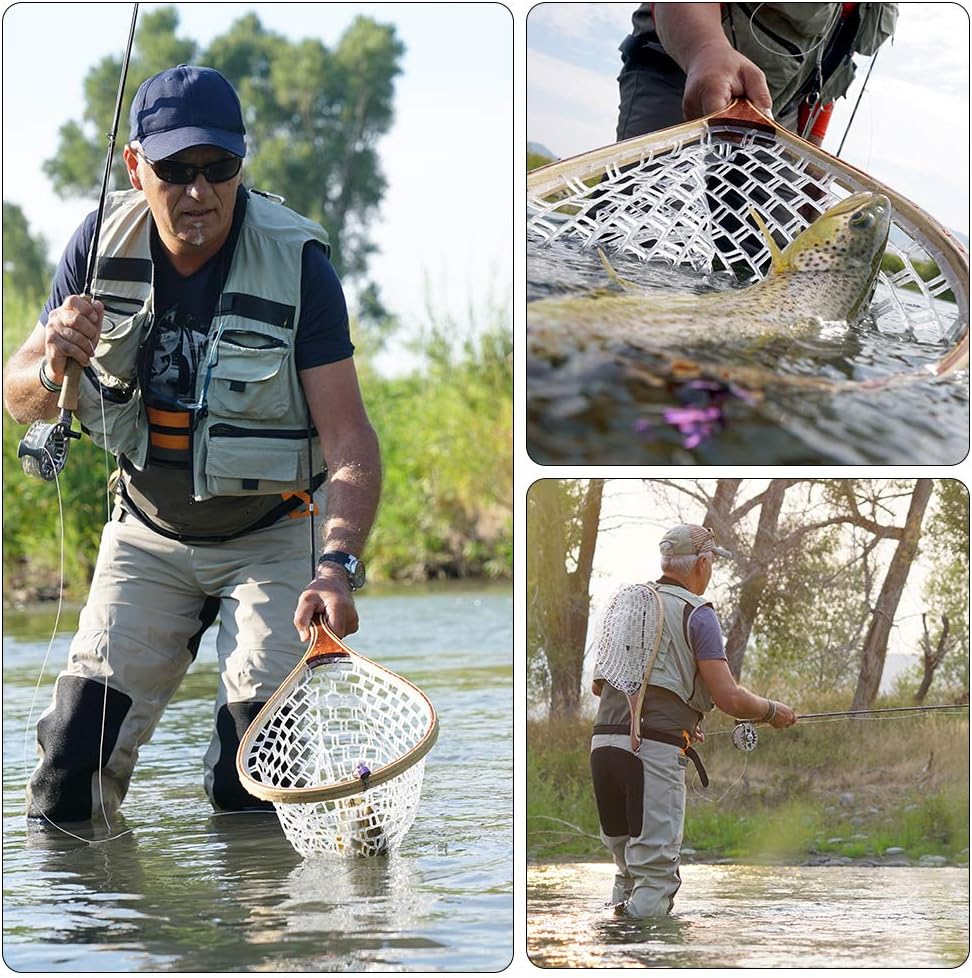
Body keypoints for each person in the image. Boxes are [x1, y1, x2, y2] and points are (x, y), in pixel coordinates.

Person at [3, 65, 381, 823]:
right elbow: (19, 400)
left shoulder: (300, 263)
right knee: (69, 775)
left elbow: (350, 446)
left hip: (274, 536)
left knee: (253, 783)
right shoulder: (96, 242)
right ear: (136, 166)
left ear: (242, 162)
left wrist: (337, 566)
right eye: (175, 171)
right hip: (147, 533)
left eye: (219, 169)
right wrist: (54, 362)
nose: (198, 192)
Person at [590, 524, 797, 918]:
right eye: (713, 563)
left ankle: (613, 948)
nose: (712, 570)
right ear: (702, 563)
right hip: (650, 754)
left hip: (603, 747)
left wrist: (683, 715)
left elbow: (605, 687)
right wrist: (773, 711)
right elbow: (729, 696)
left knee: (627, 869)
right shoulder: (697, 613)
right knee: (655, 877)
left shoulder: (627, 604)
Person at [617, 3, 898, 145]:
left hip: (776, 119)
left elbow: (832, 67)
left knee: (768, 242)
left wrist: (813, 161)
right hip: (682, 75)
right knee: (648, 226)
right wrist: (705, 48)